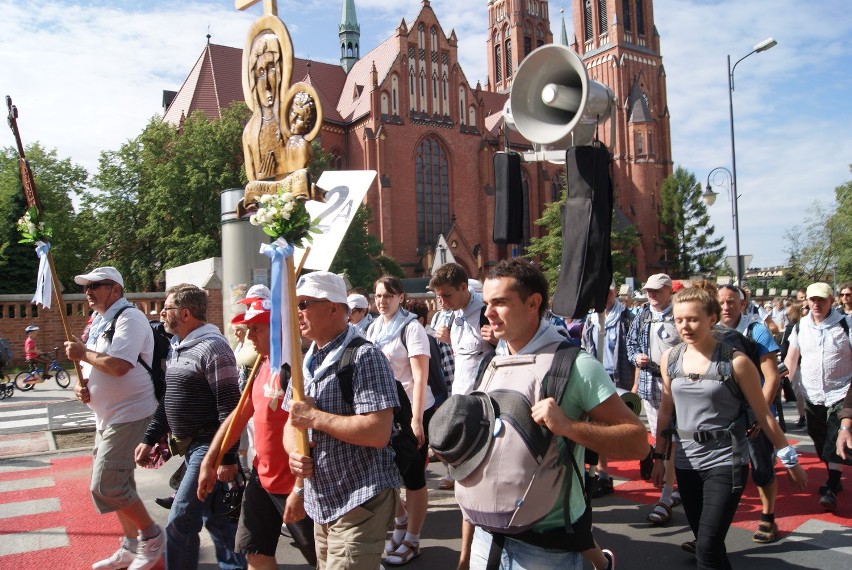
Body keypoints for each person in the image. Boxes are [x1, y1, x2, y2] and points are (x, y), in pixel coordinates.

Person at [464, 259, 648, 570]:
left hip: (547, 544)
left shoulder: (576, 365)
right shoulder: (491, 364)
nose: (488, 313)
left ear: (533, 303)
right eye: (486, 303)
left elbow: (638, 443)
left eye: (500, 303)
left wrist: (569, 427)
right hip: (488, 536)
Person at [651, 287, 807, 569]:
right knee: (708, 543)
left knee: (708, 546)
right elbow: (665, 411)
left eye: (693, 319)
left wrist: (789, 458)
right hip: (687, 461)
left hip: (726, 461)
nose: (685, 326)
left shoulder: (737, 362)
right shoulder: (670, 359)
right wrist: (659, 457)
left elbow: (764, 414)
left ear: (712, 318)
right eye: (679, 320)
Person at [284, 271, 401, 569]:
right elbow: (291, 422)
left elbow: (377, 431)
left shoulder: (365, 356)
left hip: (359, 500)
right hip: (321, 502)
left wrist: (315, 418)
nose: (298, 312)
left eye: (305, 304)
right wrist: (294, 453)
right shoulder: (304, 362)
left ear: (333, 308)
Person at [197, 298, 316, 569]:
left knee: (328, 561)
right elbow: (238, 416)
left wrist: (299, 488)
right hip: (261, 480)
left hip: (295, 485)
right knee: (255, 553)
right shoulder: (261, 366)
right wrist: (210, 460)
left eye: (256, 329)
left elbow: (309, 433)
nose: (249, 336)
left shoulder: (296, 371)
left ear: (276, 330)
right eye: (248, 328)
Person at [134, 283, 245, 570]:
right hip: (192, 449)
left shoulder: (214, 348)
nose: (161, 313)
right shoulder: (178, 348)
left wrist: (228, 457)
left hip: (209, 448)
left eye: (166, 308)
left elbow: (229, 410)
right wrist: (149, 437)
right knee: (217, 520)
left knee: (180, 521)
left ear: (184, 313)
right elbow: (169, 400)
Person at [63, 266, 163, 570]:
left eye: (96, 286)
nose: (89, 292)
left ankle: (152, 538)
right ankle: (131, 546)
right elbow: (102, 366)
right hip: (107, 417)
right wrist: (87, 386)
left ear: (115, 289)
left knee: (107, 485)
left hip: (131, 412)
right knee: (122, 484)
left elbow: (119, 365)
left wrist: (82, 355)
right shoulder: (99, 319)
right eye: (86, 287)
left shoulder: (129, 318)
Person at [366, 275, 434, 566]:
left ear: (401, 297)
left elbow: (420, 378)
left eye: (389, 296)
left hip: (412, 411)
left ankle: (413, 539)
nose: (383, 301)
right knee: (383, 473)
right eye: (379, 295)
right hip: (385, 411)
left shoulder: (411, 328)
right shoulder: (373, 327)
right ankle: (402, 520)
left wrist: (417, 419)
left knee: (414, 477)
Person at [717, 284, 783, 543]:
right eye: (721, 301)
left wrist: (758, 415)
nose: (726, 306)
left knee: (761, 468)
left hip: (755, 412)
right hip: (725, 415)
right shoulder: (711, 332)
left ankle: (768, 518)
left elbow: (771, 377)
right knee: (721, 472)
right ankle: (711, 531)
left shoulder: (756, 330)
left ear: (742, 304)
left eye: (731, 301)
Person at [784, 282, 852, 511]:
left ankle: (832, 485)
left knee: (834, 438)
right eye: (813, 299)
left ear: (832, 301)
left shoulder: (846, 324)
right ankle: (835, 471)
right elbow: (792, 359)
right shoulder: (800, 326)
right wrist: (780, 382)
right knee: (819, 438)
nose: (816, 304)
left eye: (822, 300)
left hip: (841, 392)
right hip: (811, 394)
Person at [428, 263, 494, 495]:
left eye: (447, 295)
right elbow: (463, 352)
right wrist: (448, 340)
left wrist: (497, 338)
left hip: (483, 398)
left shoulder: (486, 312)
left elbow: (501, 348)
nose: (443, 302)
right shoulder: (453, 314)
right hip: (460, 393)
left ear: (464, 287)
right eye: (439, 297)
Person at [626, 273, 681, 525]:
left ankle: (671, 490)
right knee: (663, 436)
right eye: (648, 291)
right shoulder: (643, 314)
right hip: (651, 386)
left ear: (669, 290)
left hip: (681, 386)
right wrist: (636, 357)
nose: (651, 295)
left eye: (656, 291)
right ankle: (668, 491)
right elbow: (631, 344)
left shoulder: (680, 314)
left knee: (676, 438)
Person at [582, 282, 636, 497]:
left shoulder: (627, 318)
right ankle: (603, 474)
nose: (605, 297)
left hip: (621, 378)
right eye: (600, 293)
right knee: (600, 426)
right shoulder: (592, 319)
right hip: (598, 379)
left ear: (615, 293)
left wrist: (635, 384)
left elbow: (633, 350)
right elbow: (587, 348)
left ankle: (648, 453)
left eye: (609, 293)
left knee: (624, 427)